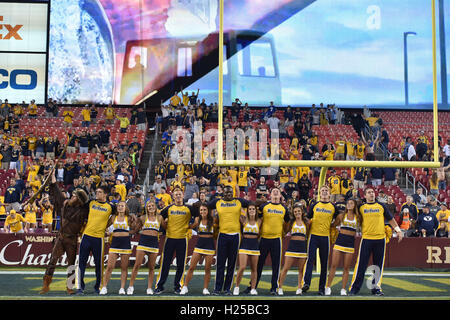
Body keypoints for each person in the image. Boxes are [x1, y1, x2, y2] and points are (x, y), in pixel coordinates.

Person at [40, 169, 89, 295]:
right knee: (52, 261)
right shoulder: (64, 204)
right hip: (61, 237)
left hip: (72, 239)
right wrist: (53, 180)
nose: (71, 196)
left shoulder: (83, 210)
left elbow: (88, 202)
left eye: (75, 196)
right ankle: (46, 285)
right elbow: (56, 193)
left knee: (71, 264)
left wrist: (83, 192)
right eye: (72, 194)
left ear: (79, 199)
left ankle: (69, 287)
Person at [349, 187, 403, 296]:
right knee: (361, 265)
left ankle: (376, 288)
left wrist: (398, 230)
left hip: (380, 239)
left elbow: (391, 219)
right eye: (369, 192)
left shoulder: (381, 206)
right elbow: (351, 216)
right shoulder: (361, 207)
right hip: (366, 239)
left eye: (372, 192)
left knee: (377, 266)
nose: (371, 194)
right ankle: (354, 288)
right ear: (365, 195)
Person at [207, 185, 250, 295]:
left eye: (230, 192)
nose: (228, 194)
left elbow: (252, 205)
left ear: (233, 193)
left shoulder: (238, 201)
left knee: (232, 264)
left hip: (235, 236)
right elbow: (205, 206)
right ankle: (217, 289)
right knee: (220, 263)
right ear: (223, 193)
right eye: (226, 192)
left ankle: (227, 289)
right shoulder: (217, 202)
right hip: (222, 235)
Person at [154, 187, 197, 294]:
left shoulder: (189, 208)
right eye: (176, 194)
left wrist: (192, 226)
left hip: (183, 239)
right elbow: (159, 217)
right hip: (170, 239)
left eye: (179, 194)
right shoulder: (168, 208)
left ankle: (178, 286)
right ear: (173, 196)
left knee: (181, 264)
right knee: (165, 264)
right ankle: (159, 286)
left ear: (183, 195)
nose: (178, 196)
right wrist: (165, 226)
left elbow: (198, 216)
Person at [77, 185, 116, 295]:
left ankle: (98, 287)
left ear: (105, 194)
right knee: (81, 263)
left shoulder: (111, 207)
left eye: (99, 192)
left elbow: (115, 217)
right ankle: (79, 287)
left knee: (99, 265)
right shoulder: (90, 203)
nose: (97, 194)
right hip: (86, 236)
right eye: (97, 192)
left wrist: (106, 227)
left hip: (99, 239)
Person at [250, 187, 290, 295]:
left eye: (277, 191)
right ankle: (252, 287)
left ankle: (274, 288)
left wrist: (284, 232)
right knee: (258, 265)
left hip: (277, 240)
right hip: (264, 239)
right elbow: (257, 219)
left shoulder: (284, 209)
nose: (275, 192)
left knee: (276, 266)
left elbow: (287, 223)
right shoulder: (264, 206)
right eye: (273, 191)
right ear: (270, 195)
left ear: (280, 195)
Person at [302, 185, 340, 295]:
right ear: (319, 193)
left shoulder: (333, 207)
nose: (324, 192)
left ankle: (321, 288)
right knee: (310, 260)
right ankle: (306, 283)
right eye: (322, 190)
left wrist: (333, 225)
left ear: (329, 193)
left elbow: (339, 218)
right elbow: (308, 218)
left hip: (325, 237)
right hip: (313, 236)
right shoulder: (315, 205)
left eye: (326, 190)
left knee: (324, 264)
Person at [100, 201, 139, 295]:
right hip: (115, 243)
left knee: (124, 268)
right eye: (119, 206)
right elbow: (105, 226)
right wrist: (109, 233)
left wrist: (129, 231)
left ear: (126, 208)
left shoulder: (129, 218)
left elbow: (135, 229)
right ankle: (104, 287)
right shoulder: (113, 217)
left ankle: (122, 288)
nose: (120, 207)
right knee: (110, 267)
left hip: (125, 243)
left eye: (122, 206)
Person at [127, 200, 165, 295]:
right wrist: (128, 229)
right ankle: (130, 286)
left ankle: (149, 288)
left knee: (151, 267)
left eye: (152, 206)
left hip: (154, 243)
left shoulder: (160, 218)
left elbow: (166, 228)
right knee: (137, 265)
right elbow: (135, 229)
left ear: (155, 207)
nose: (151, 207)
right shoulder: (143, 218)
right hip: (143, 242)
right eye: (149, 206)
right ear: (146, 208)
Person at [325, 199, 359, 296]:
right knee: (334, 265)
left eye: (351, 203)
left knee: (346, 268)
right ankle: (328, 287)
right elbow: (333, 225)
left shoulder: (358, 217)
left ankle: (343, 289)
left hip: (350, 243)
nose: (349, 205)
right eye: (348, 203)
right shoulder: (341, 216)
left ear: (355, 205)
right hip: (339, 242)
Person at [181, 203, 216, 295]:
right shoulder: (197, 219)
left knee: (207, 269)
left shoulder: (213, 220)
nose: (203, 212)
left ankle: (205, 288)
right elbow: (190, 227)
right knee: (191, 267)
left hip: (209, 246)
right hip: (199, 245)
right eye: (201, 210)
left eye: (204, 210)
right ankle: (185, 287)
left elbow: (216, 232)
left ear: (208, 211)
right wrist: (189, 225)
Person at [278, 203, 310, 296]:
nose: (297, 213)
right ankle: (280, 287)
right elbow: (285, 231)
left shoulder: (306, 222)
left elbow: (307, 234)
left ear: (302, 212)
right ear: (293, 213)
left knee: (301, 269)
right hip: (292, 247)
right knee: (285, 268)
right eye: (295, 211)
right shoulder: (291, 222)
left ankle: (299, 288)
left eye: (299, 211)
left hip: (302, 247)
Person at [233, 203, 261, 296]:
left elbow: (259, 234)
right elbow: (238, 208)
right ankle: (237, 287)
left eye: (253, 209)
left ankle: (253, 288)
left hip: (254, 246)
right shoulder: (243, 219)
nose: (252, 210)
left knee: (254, 268)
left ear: (256, 211)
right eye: (250, 209)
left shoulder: (259, 221)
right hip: (244, 245)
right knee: (242, 267)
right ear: (247, 211)